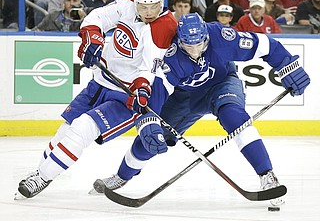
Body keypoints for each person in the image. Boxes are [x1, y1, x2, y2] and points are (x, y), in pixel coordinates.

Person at [91, 12, 310, 208]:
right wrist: (149, 121)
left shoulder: (222, 37)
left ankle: (267, 176)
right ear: (180, 40)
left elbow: (265, 45)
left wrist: (288, 65)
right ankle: (120, 176)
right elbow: (156, 93)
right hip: (185, 98)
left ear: (206, 35)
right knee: (149, 141)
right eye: (189, 46)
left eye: (200, 45)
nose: (195, 51)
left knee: (236, 118)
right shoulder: (170, 56)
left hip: (222, 85)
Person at [15, 0, 177, 199]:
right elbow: (98, 16)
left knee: (83, 127)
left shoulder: (165, 26)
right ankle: (40, 172)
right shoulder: (127, 2)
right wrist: (92, 37)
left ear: (162, 2)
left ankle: (43, 177)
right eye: (144, 5)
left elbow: (149, 68)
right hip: (101, 82)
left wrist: (141, 89)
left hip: (126, 95)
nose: (149, 11)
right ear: (136, 1)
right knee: (65, 130)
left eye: (154, 6)